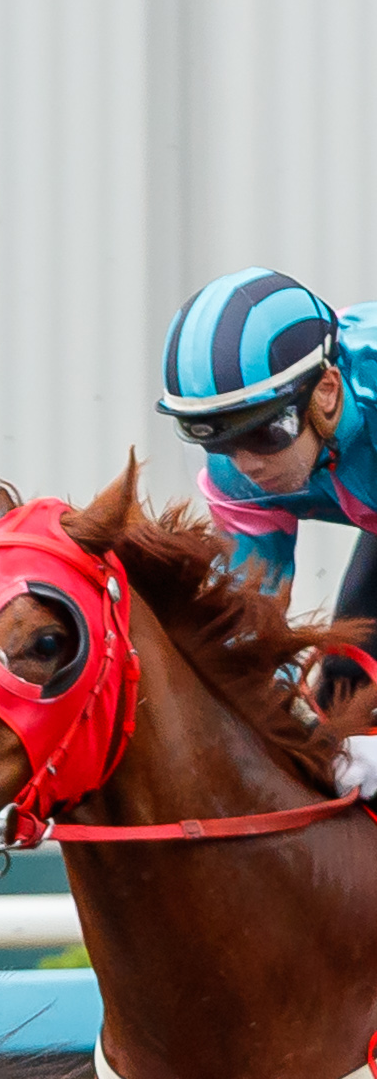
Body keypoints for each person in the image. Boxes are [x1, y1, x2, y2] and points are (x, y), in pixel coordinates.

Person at [157, 267, 377, 789]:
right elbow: (253, 640)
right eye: (212, 437)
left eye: (263, 431)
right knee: (344, 688)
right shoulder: (237, 473)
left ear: (326, 390)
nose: (246, 463)